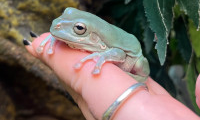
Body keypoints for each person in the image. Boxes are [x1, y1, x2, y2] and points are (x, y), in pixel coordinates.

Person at [24, 33, 200, 120]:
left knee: (139, 65)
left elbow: (120, 55)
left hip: (130, 57)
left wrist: (102, 58)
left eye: (78, 29)